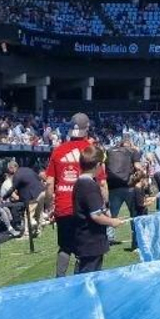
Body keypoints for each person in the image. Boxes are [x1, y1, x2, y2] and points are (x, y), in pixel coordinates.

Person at [46, 112, 104, 276]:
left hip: (63, 207)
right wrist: (103, 204)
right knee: (83, 249)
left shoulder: (58, 151)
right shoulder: (92, 151)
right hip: (85, 208)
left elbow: (50, 183)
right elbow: (102, 183)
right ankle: (79, 284)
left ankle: (59, 280)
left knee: (65, 247)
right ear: (87, 129)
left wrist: (50, 206)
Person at [70, 145, 125, 274]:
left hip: (86, 241)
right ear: (98, 165)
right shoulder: (89, 185)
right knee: (89, 275)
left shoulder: (81, 183)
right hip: (91, 242)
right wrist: (113, 222)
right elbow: (96, 215)